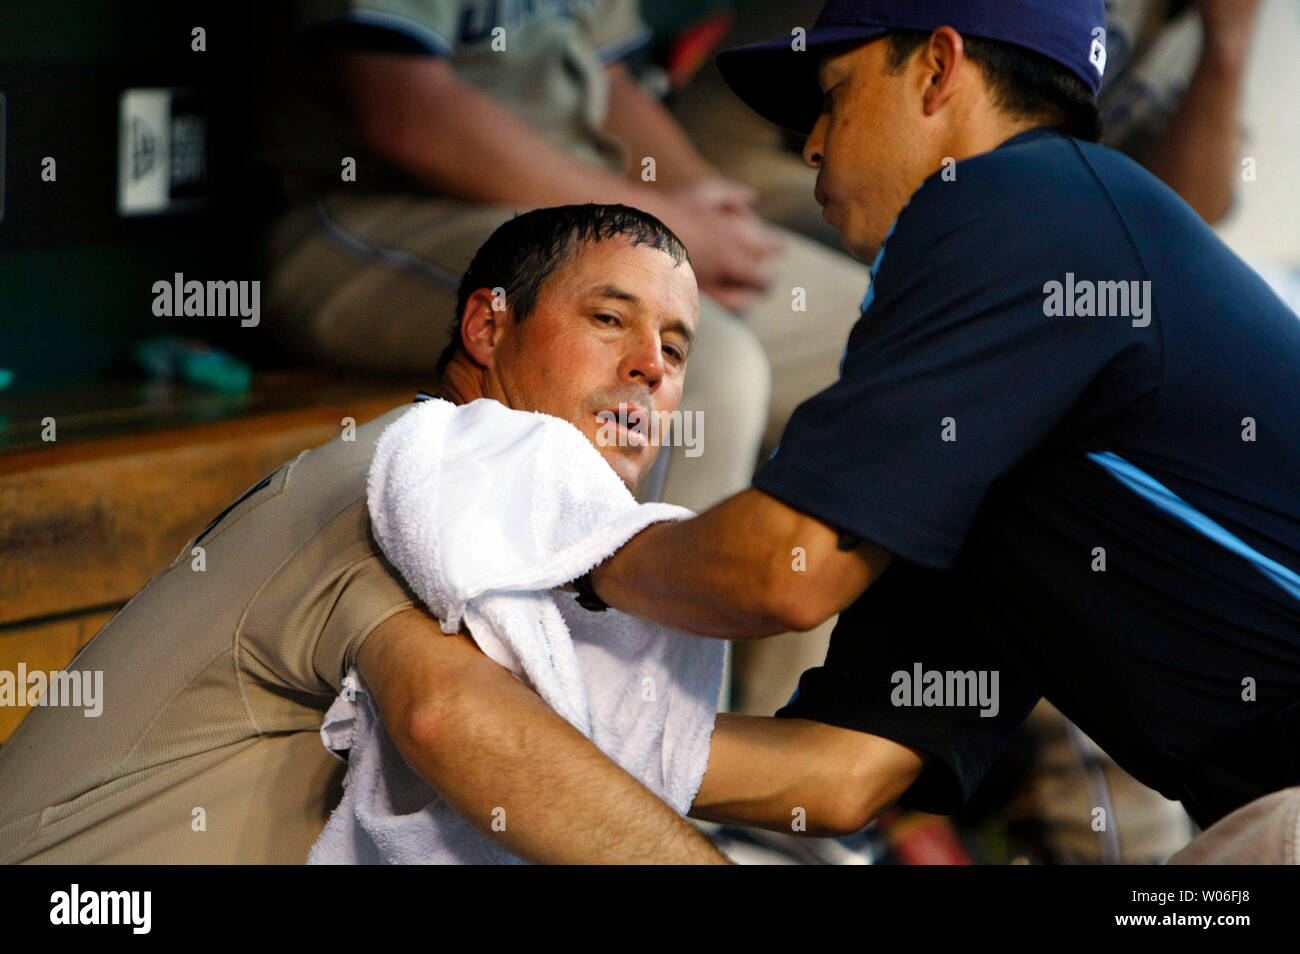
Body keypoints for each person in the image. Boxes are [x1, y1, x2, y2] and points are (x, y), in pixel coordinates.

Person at [587, 0, 1300, 861]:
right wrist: (545, 719)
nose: (813, 143)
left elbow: (783, 570)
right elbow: (843, 771)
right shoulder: (995, 431)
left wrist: (577, 560)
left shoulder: (1024, 201)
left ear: (938, 71)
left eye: (835, 96)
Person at [0, 204, 743, 865]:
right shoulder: (412, 476)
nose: (650, 366)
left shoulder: (512, 522)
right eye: (609, 319)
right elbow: (447, 718)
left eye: (675, 352)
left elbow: (681, 759)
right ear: (488, 327)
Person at [256, 0, 873, 517]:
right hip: (377, 214)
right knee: (707, 371)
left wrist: (710, 214)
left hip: (590, 207)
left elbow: (611, 85)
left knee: (867, 333)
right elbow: (405, 111)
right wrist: (665, 224)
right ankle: (635, 650)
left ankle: (787, 666)